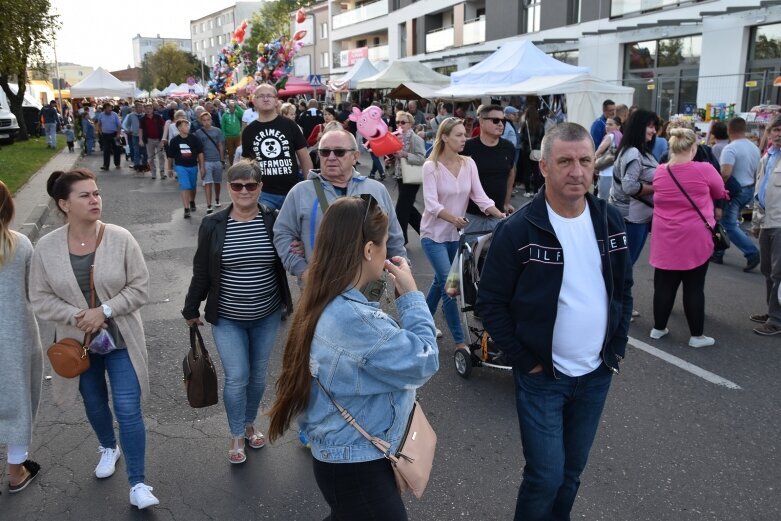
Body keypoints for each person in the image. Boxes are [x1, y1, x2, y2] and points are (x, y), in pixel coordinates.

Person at [477, 123, 633, 521]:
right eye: (565, 161)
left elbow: (623, 289)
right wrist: (525, 360)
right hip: (543, 376)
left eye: (585, 161)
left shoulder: (610, 220)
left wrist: (615, 347)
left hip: (596, 373)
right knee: (545, 476)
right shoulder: (517, 230)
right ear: (544, 166)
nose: (577, 171)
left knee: (570, 474)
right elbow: (490, 304)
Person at [267, 196, 439, 521]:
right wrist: (412, 297)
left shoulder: (326, 295)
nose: (388, 252)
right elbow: (424, 359)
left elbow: (365, 331)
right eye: (385, 244)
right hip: (357, 463)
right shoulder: (352, 319)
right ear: (369, 250)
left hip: (343, 457)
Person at [29, 169, 159, 509]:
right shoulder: (46, 247)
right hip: (78, 347)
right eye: (85, 195)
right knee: (94, 401)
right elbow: (40, 298)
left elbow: (140, 287)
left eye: (96, 193)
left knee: (129, 409)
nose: (94, 199)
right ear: (64, 203)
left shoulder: (120, 238)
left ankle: (138, 483)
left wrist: (105, 310)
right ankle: (107, 446)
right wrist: (77, 316)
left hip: (120, 341)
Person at [182, 160, 292, 465]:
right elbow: (202, 269)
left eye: (251, 185)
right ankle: (235, 433)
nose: (244, 191)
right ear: (229, 188)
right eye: (237, 185)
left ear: (260, 188)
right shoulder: (213, 224)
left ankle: (248, 424)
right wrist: (191, 307)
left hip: (267, 314)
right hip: (228, 317)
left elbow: (288, 255)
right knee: (237, 376)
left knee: (257, 377)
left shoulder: (273, 219)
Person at [274, 129, 407, 287]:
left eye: (339, 152)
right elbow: (282, 234)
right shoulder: (300, 192)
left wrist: (403, 273)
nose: (331, 157)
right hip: (318, 290)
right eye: (324, 152)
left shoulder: (376, 190)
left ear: (355, 157)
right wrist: (303, 271)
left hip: (365, 292)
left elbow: (394, 238)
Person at [421, 117, 504, 350]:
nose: (464, 138)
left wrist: (500, 217)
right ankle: (459, 342)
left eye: (464, 134)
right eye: (458, 135)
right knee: (450, 288)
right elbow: (430, 204)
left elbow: (480, 197)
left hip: (456, 237)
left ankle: (421, 321)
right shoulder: (432, 167)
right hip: (433, 236)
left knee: (442, 281)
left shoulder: (469, 163)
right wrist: (454, 219)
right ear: (444, 137)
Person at [649, 128, 728, 347]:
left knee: (664, 285)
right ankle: (696, 336)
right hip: (695, 236)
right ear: (693, 148)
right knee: (694, 286)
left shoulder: (660, 170)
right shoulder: (704, 169)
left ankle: (658, 328)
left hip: (665, 235)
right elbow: (720, 192)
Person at [0, 181, 43, 494]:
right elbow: (34, 292)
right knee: (18, 399)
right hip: (15, 334)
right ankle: (15, 471)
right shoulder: (19, 246)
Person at [241, 84, 313, 210]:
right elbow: (246, 165)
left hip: (293, 191)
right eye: (261, 96)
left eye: (269, 95)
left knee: (294, 229)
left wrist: (308, 187)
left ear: (276, 101)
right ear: (255, 102)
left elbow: (305, 159)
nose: (265, 99)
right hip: (263, 193)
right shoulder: (249, 131)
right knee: (267, 228)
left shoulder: (290, 125)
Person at [611, 109, 660, 266]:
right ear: (638, 126)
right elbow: (629, 186)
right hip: (631, 218)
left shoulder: (641, 151)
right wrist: (657, 187)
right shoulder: (633, 152)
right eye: (650, 126)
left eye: (655, 126)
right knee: (625, 265)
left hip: (639, 217)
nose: (653, 130)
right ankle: (620, 291)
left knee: (626, 264)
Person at [711, 117, 761, 270]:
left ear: (729, 130)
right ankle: (718, 252)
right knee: (726, 222)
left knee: (728, 223)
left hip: (734, 191)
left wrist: (716, 188)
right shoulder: (754, 147)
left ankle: (752, 253)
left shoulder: (730, 148)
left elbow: (725, 174)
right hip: (749, 188)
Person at [462, 105, 516, 234]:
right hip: (470, 215)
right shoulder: (467, 148)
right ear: (481, 122)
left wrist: (507, 202)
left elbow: (511, 172)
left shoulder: (508, 147)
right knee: (469, 253)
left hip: (498, 215)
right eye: (495, 120)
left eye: (503, 121)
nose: (501, 124)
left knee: (497, 253)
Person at [750, 115, 781, 335]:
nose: (778, 134)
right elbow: (759, 191)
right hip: (766, 220)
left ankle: (776, 318)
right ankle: (772, 310)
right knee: (767, 269)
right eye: (775, 130)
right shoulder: (767, 157)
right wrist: (756, 221)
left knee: (779, 272)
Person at [393, 110, 427, 245]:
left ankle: (401, 240)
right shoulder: (397, 137)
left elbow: (422, 158)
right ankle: (426, 233)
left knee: (400, 210)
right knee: (408, 208)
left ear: (410, 124)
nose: (400, 125)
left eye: (403, 122)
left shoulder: (416, 138)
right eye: (397, 122)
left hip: (412, 178)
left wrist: (405, 154)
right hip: (400, 175)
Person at [167, 119, 205, 218]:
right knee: (185, 186)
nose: (187, 127)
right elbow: (170, 156)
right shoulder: (174, 141)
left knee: (192, 186)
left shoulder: (194, 139)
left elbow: (200, 153)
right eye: (184, 125)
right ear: (179, 128)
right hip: (180, 166)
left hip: (192, 166)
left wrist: (202, 167)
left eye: (187, 125)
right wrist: (169, 168)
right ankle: (186, 209)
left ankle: (192, 200)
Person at [194, 111, 225, 214]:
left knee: (217, 182)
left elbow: (220, 145)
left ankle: (217, 199)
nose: (206, 122)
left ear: (211, 120)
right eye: (204, 120)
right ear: (201, 121)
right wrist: (201, 164)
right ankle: (208, 205)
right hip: (206, 161)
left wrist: (221, 160)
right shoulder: (198, 133)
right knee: (208, 183)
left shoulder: (217, 131)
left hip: (217, 160)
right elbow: (198, 150)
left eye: (208, 120)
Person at [519, 97, 545, 197]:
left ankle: (527, 191)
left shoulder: (525, 124)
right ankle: (535, 191)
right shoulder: (541, 125)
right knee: (536, 171)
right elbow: (543, 138)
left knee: (527, 171)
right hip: (537, 151)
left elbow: (521, 138)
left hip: (526, 150)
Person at [594, 116, 623, 201]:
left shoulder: (610, 136)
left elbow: (600, 150)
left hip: (606, 173)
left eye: (610, 124)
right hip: (617, 174)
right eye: (606, 124)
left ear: (618, 126)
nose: (607, 126)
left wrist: (593, 159)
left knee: (603, 200)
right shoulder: (621, 136)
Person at [139, 103, 166, 179]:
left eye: (150, 108)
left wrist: (164, 138)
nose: (148, 110)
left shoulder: (158, 117)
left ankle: (162, 173)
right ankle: (153, 173)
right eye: (146, 109)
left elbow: (164, 126)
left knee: (161, 156)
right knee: (150, 157)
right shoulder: (143, 119)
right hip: (149, 140)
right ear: (144, 110)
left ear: (152, 109)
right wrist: (140, 140)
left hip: (159, 139)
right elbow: (140, 130)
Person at [95, 103, 123, 171]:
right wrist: (100, 132)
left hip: (115, 134)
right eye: (108, 109)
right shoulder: (101, 115)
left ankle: (117, 163)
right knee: (106, 150)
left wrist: (118, 134)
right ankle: (106, 165)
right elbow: (99, 124)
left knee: (116, 149)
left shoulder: (115, 114)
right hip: (105, 135)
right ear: (104, 109)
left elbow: (119, 125)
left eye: (111, 108)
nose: (110, 110)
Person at [220, 100, 244, 166]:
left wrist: (236, 106)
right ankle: (232, 165)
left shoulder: (237, 113)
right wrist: (224, 135)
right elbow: (223, 126)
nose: (232, 108)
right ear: (229, 107)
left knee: (239, 152)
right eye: (231, 106)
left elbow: (243, 113)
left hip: (237, 136)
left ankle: (239, 165)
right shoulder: (225, 115)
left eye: (233, 107)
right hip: (228, 137)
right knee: (231, 153)